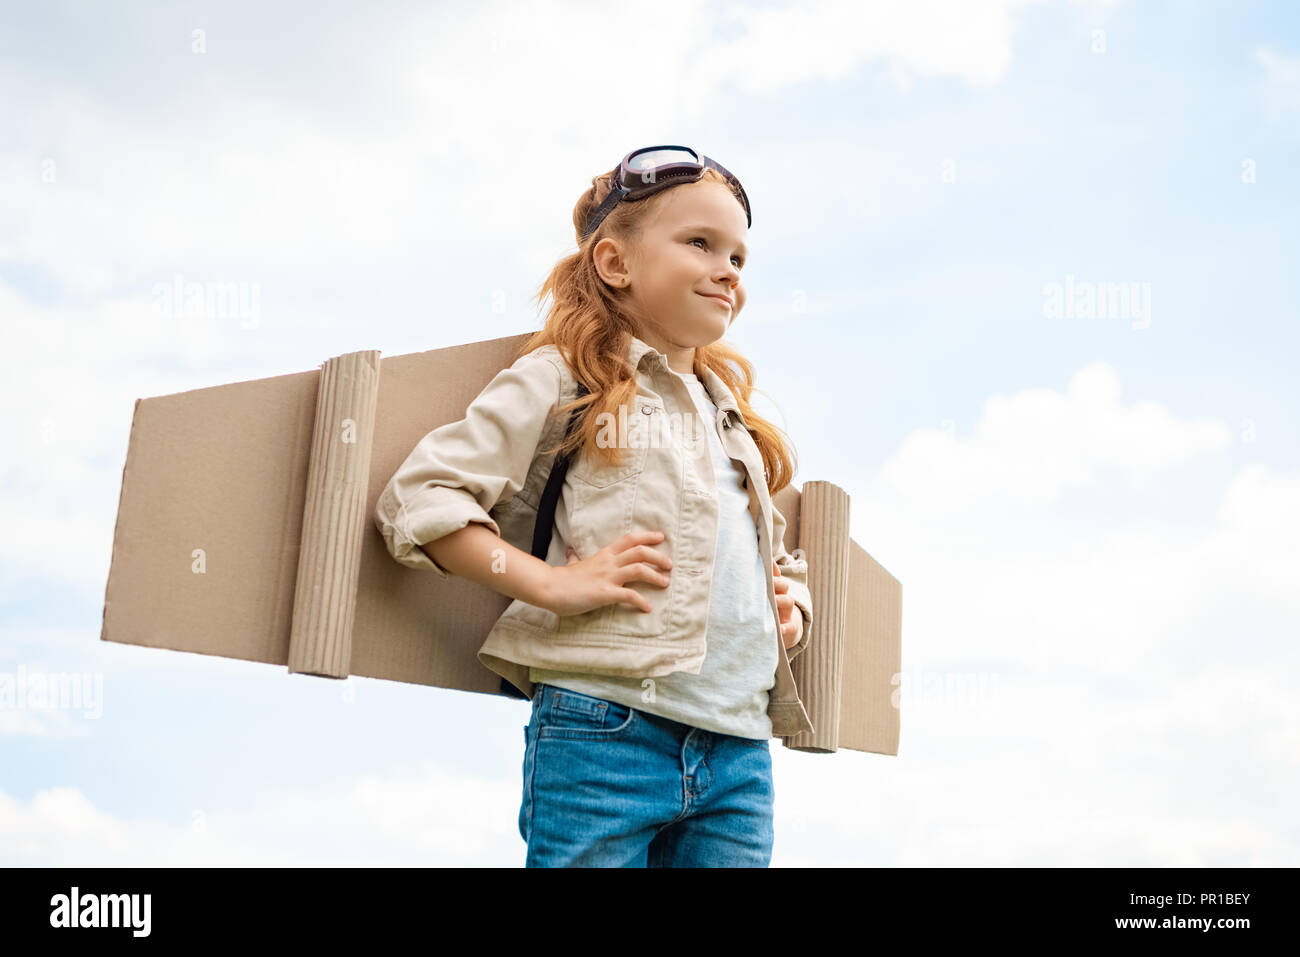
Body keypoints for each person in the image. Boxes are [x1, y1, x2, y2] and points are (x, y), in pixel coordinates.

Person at [374, 146, 815, 867]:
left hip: (737, 746)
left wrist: (788, 601)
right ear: (616, 263)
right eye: (700, 243)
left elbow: (775, 550)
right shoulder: (565, 376)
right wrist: (548, 583)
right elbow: (422, 496)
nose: (728, 269)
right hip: (605, 727)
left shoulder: (727, 413)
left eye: (739, 256)